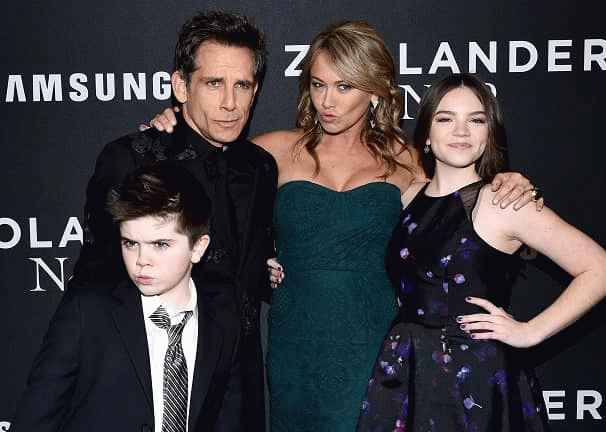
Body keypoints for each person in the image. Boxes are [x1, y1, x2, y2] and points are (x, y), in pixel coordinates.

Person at [152, 21, 539, 432]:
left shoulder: (405, 159)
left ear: (374, 92)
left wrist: (504, 182)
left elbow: (456, 214)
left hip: (376, 345)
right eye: (318, 85)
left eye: (344, 87)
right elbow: (199, 169)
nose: (327, 101)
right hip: (296, 345)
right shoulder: (274, 151)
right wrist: (170, 124)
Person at [355, 73, 606, 431]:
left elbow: (601, 270)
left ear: (489, 134)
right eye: (446, 118)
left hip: (475, 379)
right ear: (427, 135)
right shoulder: (407, 196)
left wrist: (530, 332)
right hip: (405, 372)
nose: (461, 131)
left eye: (476, 120)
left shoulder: (504, 201)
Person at [72, 10, 276, 431]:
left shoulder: (260, 167)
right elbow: (95, 279)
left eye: (242, 85)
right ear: (181, 86)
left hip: (239, 389)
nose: (230, 103)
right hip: (152, 381)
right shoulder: (133, 159)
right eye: (214, 83)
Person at [12, 164, 241, 432]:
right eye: (130, 243)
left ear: (198, 248)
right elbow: (35, 419)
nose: (141, 260)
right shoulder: (87, 311)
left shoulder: (223, 318)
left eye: (160, 244)